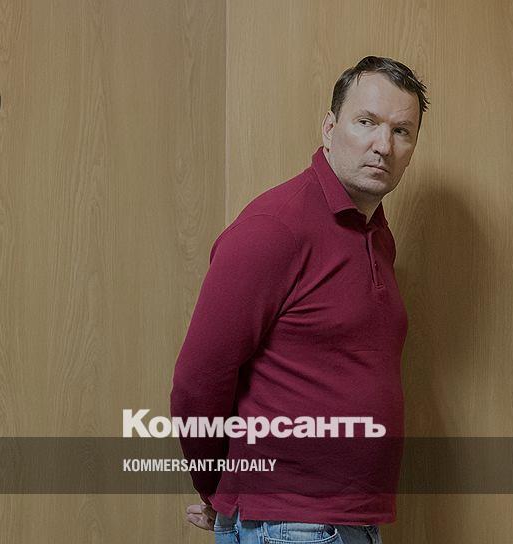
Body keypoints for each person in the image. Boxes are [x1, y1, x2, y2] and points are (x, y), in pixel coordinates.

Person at [170, 55, 429, 544]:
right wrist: (217, 489)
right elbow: (197, 380)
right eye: (367, 122)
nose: (383, 145)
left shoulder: (376, 234)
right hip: (290, 524)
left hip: (349, 520)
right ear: (329, 129)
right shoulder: (275, 228)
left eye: (402, 131)